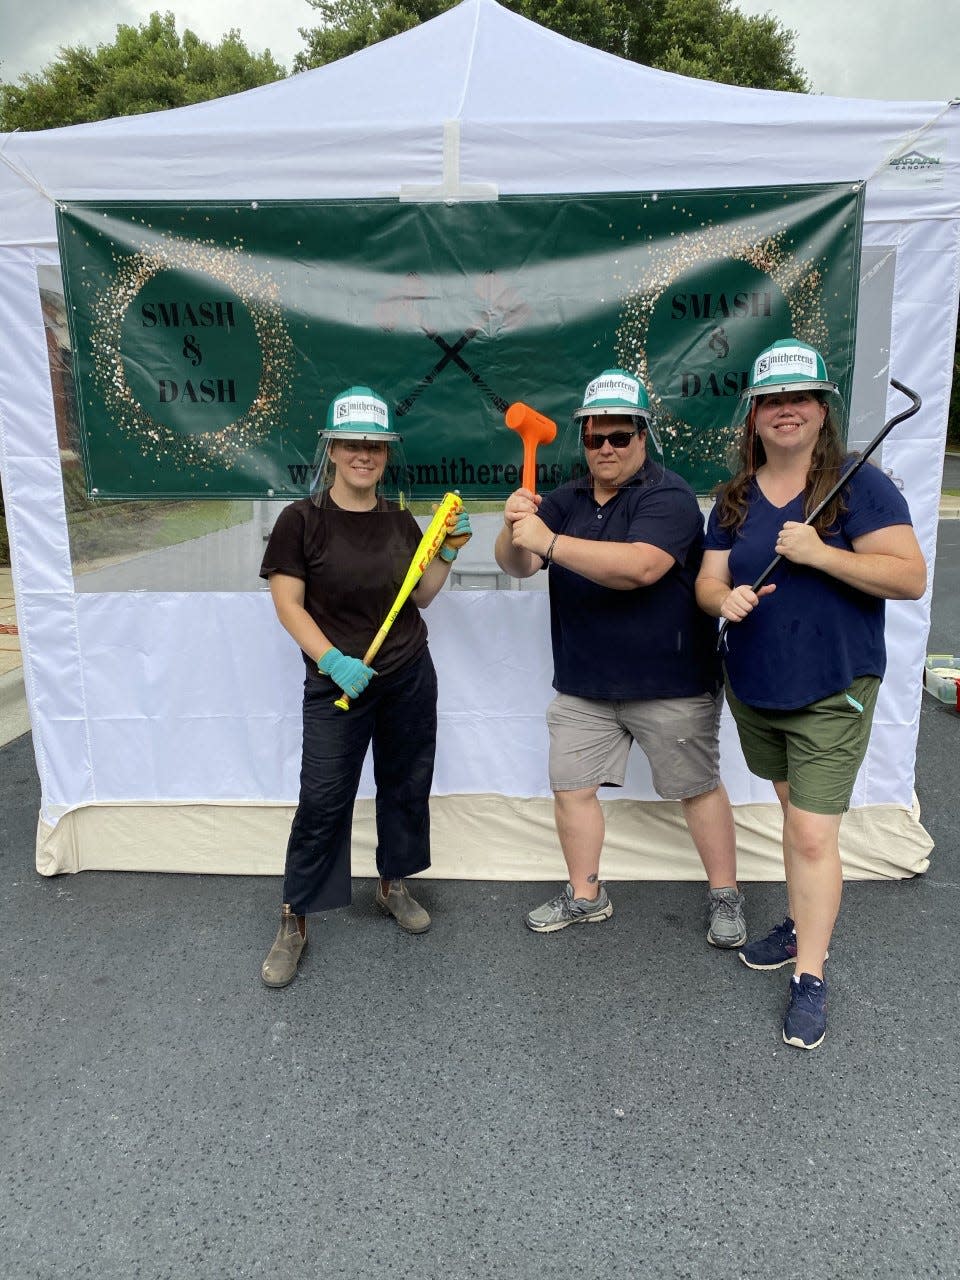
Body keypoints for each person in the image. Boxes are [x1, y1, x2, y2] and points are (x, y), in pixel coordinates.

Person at [695, 339, 926, 1050]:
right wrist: (723, 597)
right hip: (758, 684)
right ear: (755, 416)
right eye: (772, 400)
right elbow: (707, 582)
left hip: (834, 686)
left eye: (799, 398)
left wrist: (821, 552)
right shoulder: (734, 497)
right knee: (795, 815)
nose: (785, 411)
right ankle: (801, 917)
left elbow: (909, 577)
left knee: (814, 833)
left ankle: (811, 976)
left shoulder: (861, 485)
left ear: (822, 410)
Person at [494, 368, 744, 946]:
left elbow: (642, 567)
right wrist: (514, 529)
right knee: (571, 788)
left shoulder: (670, 495)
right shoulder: (566, 498)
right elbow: (518, 565)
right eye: (593, 438)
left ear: (642, 436)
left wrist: (549, 541)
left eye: (618, 436)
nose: (604, 448)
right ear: (581, 439)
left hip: (671, 681)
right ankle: (586, 896)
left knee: (697, 787)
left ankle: (725, 894)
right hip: (584, 684)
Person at [258, 385, 471, 988]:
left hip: (406, 674)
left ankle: (391, 883)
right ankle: (294, 916)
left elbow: (418, 599)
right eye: (353, 443)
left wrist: (445, 554)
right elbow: (288, 605)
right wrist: (332, 661)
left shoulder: (399, 520)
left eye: (375, 446)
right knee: (324, 798)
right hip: (338, 683)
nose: (364, 455)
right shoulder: (301, 521)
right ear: (332, 449)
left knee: (405, 784)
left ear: (385, 455)